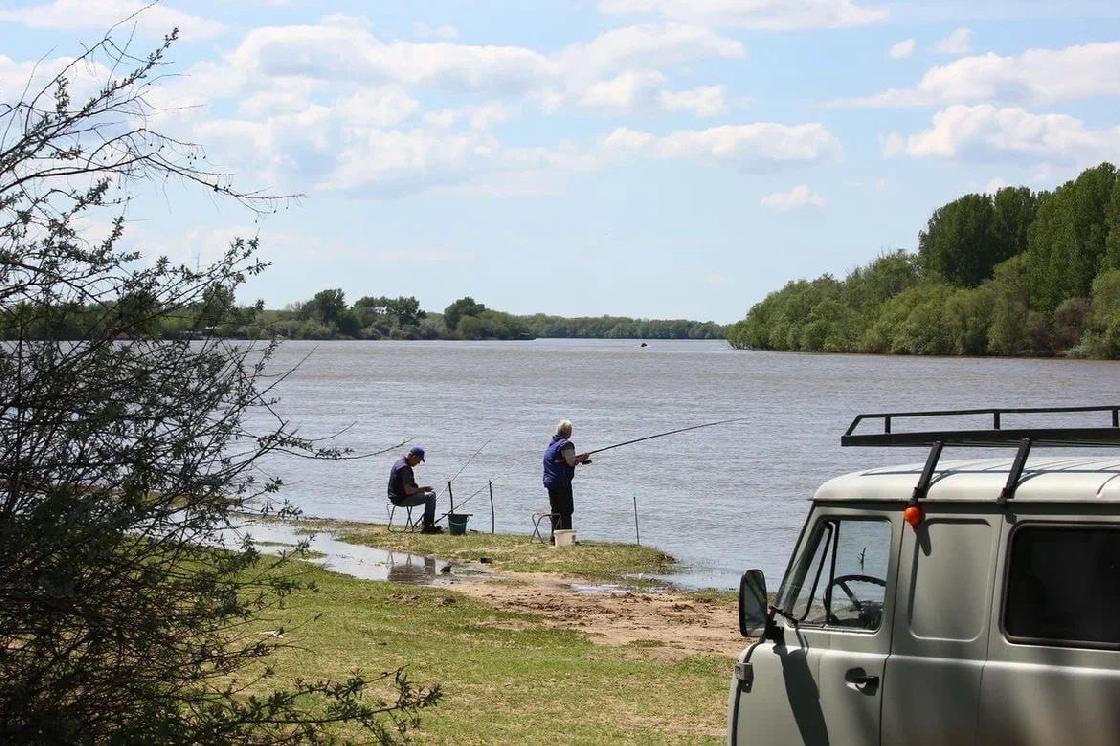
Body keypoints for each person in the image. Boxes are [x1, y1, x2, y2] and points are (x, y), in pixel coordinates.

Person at [542, 419, 590, 533]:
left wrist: (576, 458)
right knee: (566, 511)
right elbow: (571, 462)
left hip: (550, 482)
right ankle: (566, 537)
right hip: (561, 483)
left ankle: (555, 536)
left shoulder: (552, 444)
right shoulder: (566, 444)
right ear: (568, 431)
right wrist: (581, 459)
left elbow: (562, 459)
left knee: (556, 511)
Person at [388, 445, 443, 534]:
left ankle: (427, 524)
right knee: (431, 496)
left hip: (395, 497)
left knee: (427, 495)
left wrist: (418, 490)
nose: (419, 463)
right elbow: (408, 491)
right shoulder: (405, 468)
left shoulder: (399, 462)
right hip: (401, 499)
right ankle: (428, 527)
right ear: (413, 457)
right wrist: (424, 489)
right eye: (419, 460)